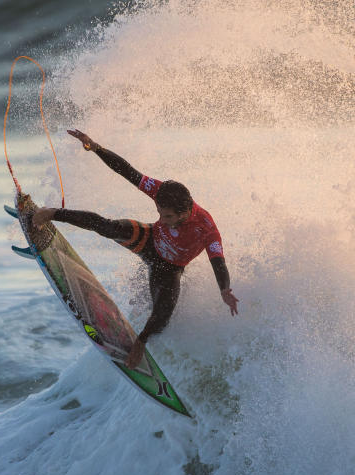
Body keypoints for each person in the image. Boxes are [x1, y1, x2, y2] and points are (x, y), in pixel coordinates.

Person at [32, 129, 239, 369]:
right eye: (160, 212)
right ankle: (53, 213)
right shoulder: (162, 191)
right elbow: (126, 171)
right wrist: (96, 147)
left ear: (185, 212)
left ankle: (140, 343)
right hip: (148, 239)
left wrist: (224, 289)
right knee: (108, 227)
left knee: (161, 318)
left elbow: (218, 263)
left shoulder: (206, 227)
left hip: (170, 269)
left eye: (168, 216)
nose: (163, 217)